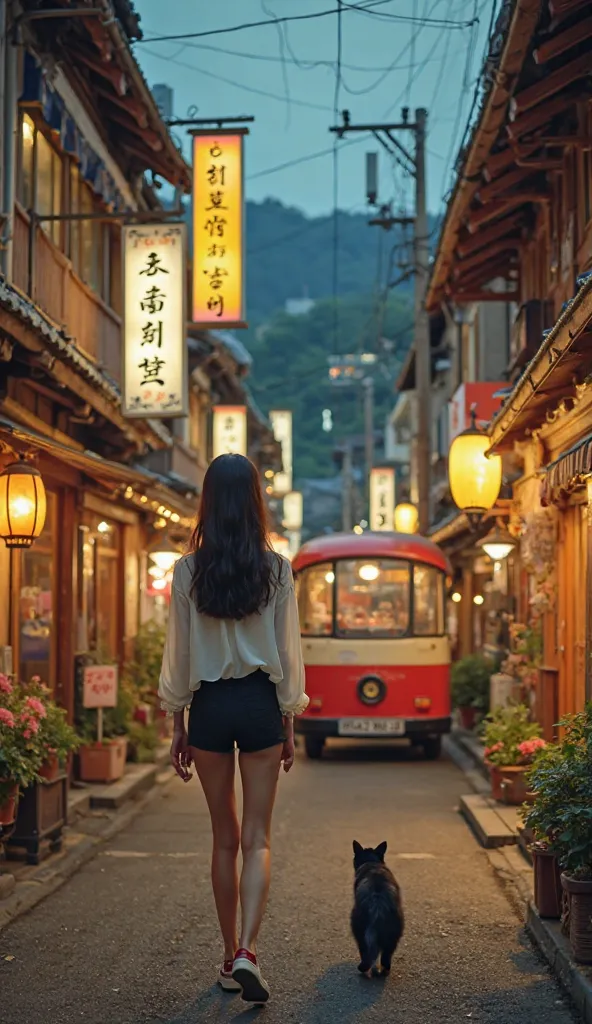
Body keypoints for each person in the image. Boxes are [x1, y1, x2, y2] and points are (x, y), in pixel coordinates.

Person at [158, 453, 308, 1004]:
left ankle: (227, 958)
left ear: (207, 502)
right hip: (261, 703)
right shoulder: (276, 569)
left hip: (211, 708)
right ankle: (248, 949)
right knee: (258, 837)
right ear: (254, 503)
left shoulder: (186, 571)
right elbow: (289, 654)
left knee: (224, 837)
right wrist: (288, 718)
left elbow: (177, 656)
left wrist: (178, 722)